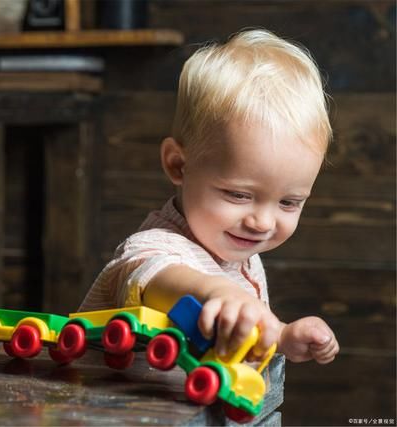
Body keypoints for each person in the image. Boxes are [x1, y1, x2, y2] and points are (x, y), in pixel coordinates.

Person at [79, 29, 339, 364]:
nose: (262, 221)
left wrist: (283, 336)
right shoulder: (155, 247)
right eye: (238, 194)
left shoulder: (242, 260)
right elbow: (157, 277)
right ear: (178, 164)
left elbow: (237, 336)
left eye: (288, 202)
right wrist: (218, 293)